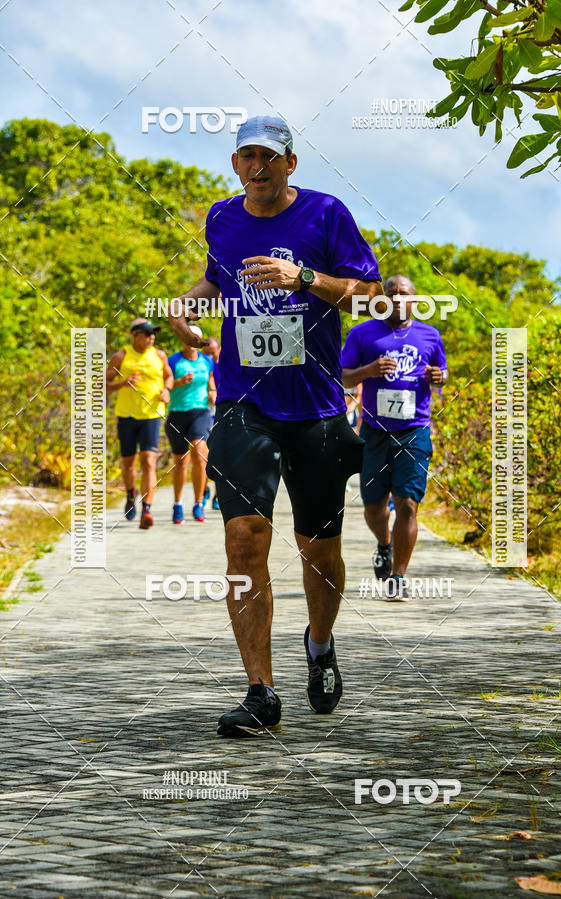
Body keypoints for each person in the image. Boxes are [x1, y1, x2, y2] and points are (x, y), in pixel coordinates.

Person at [169, 114, 382, 737]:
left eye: (268, 156)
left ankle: (319, 644)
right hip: (242, 402)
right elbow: (218, 279)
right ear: (236, 164)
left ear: (291, 163)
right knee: (244, 538)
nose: (256, 167)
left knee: (319, 551)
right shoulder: (222, 216)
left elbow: (370, 297)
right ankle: (259, 691)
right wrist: (187, 304)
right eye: (245, 157)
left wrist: (305, 278)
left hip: (315, 409)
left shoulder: (326, 214)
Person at [341, 275, 448, 599]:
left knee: (407, 505)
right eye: (392, 293)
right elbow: (341, 375)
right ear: (382, 299)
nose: (398, 299)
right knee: (374, 507)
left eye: (404, 294)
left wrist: (439, 376)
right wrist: (369, 371)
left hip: (414, 430)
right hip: (375, 432)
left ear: (414, 300)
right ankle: (384, 544)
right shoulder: (363, 333)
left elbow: (442, 373)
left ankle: (398, 577)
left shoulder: (430, 335)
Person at [106, 318, 173, 529]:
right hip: (126, 416)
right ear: (135, 335)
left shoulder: (159, 355)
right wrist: (123, 383)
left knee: (149, 461)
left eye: (153, 333)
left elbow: (168, 376)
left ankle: (147, 509)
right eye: (147, 333)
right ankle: (129, 494)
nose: (151, 337)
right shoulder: (121, 357)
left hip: (152, 415)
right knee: (128, 463)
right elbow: (103, 385)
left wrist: (167, 390)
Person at [166, 331, 216, 524]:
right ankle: (178, 504)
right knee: (180, 462)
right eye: (189, 339)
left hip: (201, 412)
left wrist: (212, 391)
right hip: (178, 412)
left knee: (199, 452)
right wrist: (179, 382)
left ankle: (198, 504)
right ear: (183, 340)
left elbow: (210, 380)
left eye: (196, 339)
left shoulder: (206, 361)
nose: (192, 343)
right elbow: (166, 384)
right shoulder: (173, 360)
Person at [201, 337, 221, 511]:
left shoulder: (227, 362)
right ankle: (204, 488)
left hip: (225, 411)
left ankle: (218, 494)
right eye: (206, 353)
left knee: (221, 453)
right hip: (205, 411)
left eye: (213, 352)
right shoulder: (204, 365)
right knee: (203, 453)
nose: (210, 356)